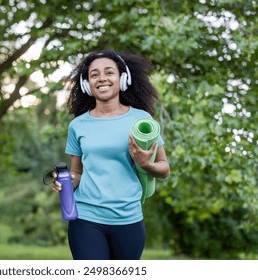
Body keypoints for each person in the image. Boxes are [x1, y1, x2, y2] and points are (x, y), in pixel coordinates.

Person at [52, 49, 170, 260]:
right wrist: (67, 181)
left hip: (129, 218)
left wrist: (146, 165)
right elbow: (76, 173)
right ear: (87, 84)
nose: (102, 78)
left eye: (109, 72)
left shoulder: (141, 120)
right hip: (86, 219)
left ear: (122, 79)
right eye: (94, 74)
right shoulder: (78, 125)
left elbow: (164, 168)